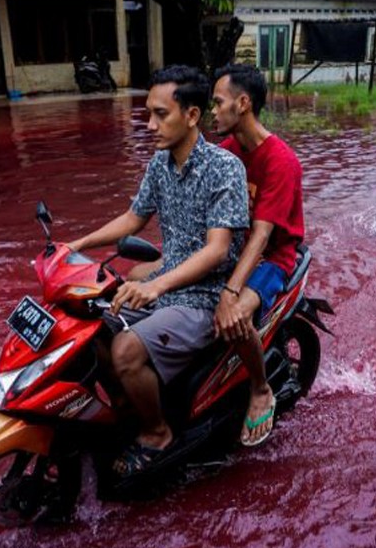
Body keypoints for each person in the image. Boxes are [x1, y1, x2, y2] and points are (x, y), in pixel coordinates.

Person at [67, 65, 249, 476]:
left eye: (160, 114)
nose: (150, 125)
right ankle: (133, 406)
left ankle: (157, 433)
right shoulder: (160, 163)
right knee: (92, 328)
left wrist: (155, 284)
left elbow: (218, 251)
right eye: (148, 113)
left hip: (206, 295)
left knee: (125, 350)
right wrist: (76, 245)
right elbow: (133, 219)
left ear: (192, 115)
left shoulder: (225, 169)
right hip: (165, 284)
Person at [211, 64, 305, 447]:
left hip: (272, 258)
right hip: (235, 249)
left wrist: (232, 292)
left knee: (234, 319)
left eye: (218, 103)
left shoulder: (281, 161)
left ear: (243, 103)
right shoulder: (228, 151)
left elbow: (263, 235)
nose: (213, 112)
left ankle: (260, 387)